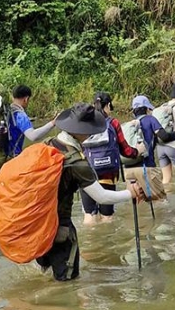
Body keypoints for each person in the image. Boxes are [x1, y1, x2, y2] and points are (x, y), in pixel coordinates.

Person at [38, 104, 148, 281]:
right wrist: (130, 193)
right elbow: (102, 197)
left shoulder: (47, 145)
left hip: (38, 224)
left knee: (49, 276)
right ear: (81, 132)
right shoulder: (76, 162)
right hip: (59, 227)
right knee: (67, 283)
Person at [81, 92, 140, 225]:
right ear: (107, 105)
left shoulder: (84, 124)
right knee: (107, 217)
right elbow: (126, 150)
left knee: (89, 216)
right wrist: (138, 151)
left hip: (86, 174)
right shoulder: (113, 123)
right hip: (107, 174)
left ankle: (92, 244)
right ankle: (108, 241)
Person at [9, 84, 56, 156]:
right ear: (26, 99)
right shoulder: (20, 116)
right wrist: (53, 123)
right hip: (12, 157)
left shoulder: (7, 111)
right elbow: (33, 136)